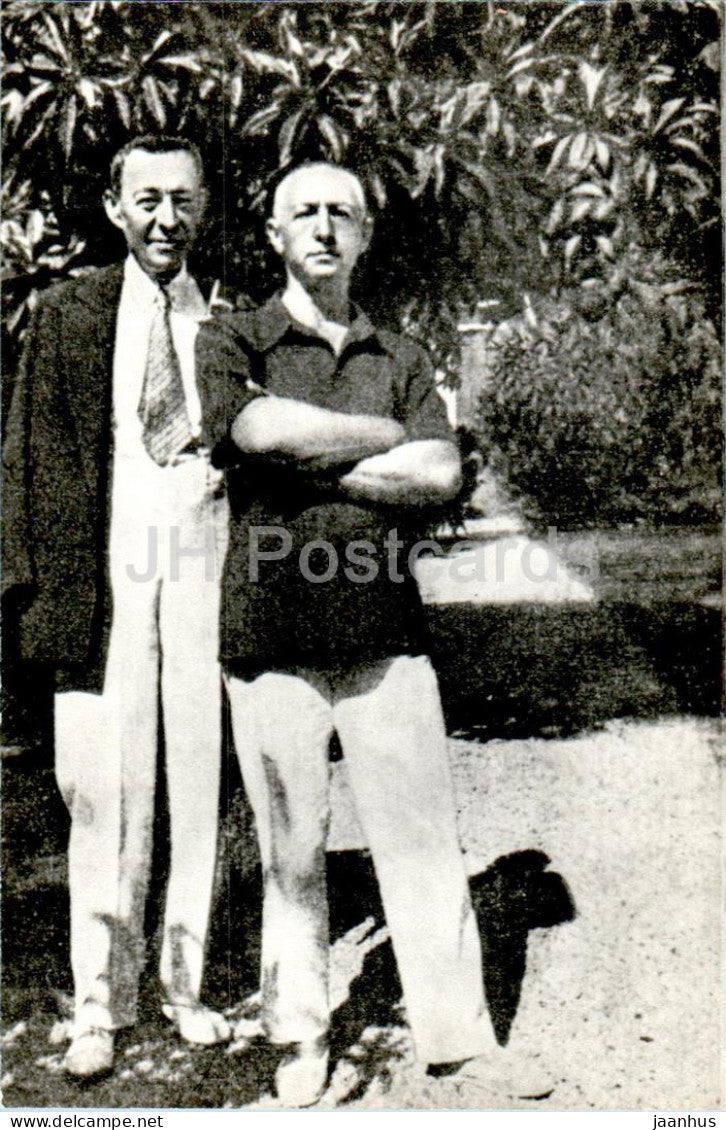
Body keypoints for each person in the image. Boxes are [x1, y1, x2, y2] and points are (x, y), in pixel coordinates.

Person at [197, 161, 552, 1107]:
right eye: (304, 212)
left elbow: (441, 474)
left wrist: (319, 457)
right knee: (291, 850)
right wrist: (384, 436)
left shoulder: (401, 352)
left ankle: (458, 1036)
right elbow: (257, 432)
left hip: (385, 629)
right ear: (273, 233)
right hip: (270, 631)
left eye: (342, 213)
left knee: (422, 837)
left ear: (363, 235)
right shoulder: (232, 337)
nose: (323, 227)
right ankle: (301, 1036)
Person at [3, 135, 232, 1079]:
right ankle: (100, 1003)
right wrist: (30, 599)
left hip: (202, 554)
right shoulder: (68, 313)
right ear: (114, 207)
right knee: (101, 787)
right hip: (101, 569)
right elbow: (22, 459)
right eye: (148, 199)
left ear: (204, 207)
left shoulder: (231, 318)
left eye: (183, 200)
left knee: (195, 777)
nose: (166, 219)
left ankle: (184, 987)